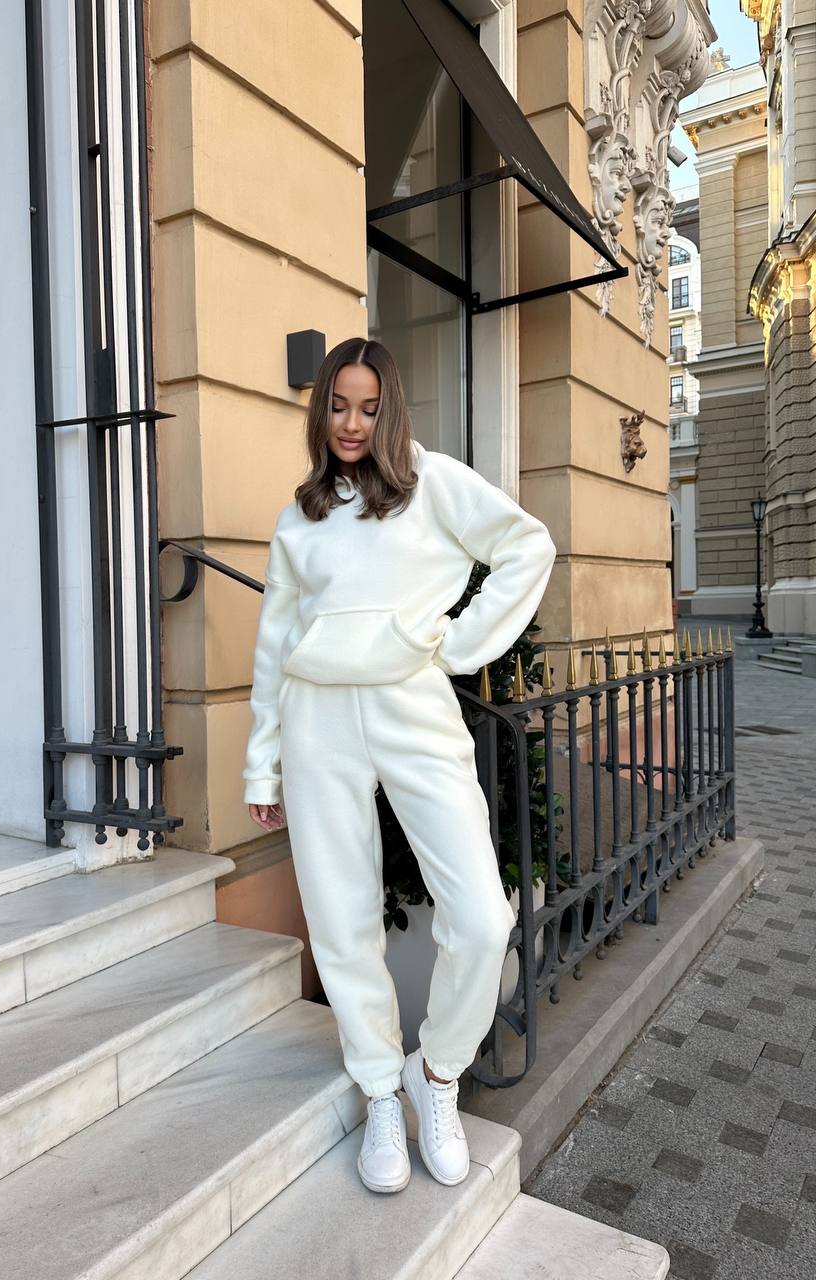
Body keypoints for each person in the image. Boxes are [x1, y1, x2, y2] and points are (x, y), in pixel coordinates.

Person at [242, 337, 557, 1194]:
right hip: (316, 716)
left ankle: (439, 1075)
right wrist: (261, 766)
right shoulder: (299, 514)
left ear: (390, 410)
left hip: (412, 704)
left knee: (483, 918)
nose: (351, 422)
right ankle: (382, 1089)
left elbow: (528, 545)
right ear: (322, 411)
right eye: (337, 405)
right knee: (342, 918)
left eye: (367, 407)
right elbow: (274, 645)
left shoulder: (431, 481)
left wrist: (459, 644)